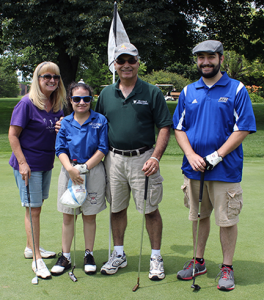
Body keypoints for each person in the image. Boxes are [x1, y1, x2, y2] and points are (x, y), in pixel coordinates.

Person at [172, 40, 256, 291]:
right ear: (196, 60)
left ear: (220, 59)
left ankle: (227, 267)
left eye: (210, 57)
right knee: (198, 216)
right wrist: (190, 155)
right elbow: (179, 128)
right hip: (194, 169)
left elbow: (243, 128)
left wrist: (216, 155)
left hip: (225, 169)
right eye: (200, 58)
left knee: (226, 219)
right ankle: (198, 261)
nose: (205, 62)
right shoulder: (189, 91)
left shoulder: (236, 89)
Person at [95, 43, 172, 280]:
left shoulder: (151, 92)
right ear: (115, 65)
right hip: (114, 159)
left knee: (150, 210)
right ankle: (118, 254)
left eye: (131, 60)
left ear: (138, 63)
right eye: (121, 61)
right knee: (117, 209)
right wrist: (65, 126)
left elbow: (164, 127)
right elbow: (94, 123)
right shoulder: (107, 93)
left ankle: (156, 257)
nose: (126, 65)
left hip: (144, 158)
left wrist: (156, 157)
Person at [8, 61, 66, 278]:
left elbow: (57, 134)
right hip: (28, 165)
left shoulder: (57, 104)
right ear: (37, 79)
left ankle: (30, 247)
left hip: (45, 163)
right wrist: (22, 163)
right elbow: (13, 135)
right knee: (33, 210)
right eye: (46, 76)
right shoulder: (26, 104)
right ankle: (36, 259)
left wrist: (62, 128)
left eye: (56, 77)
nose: (52, 80)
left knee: (36, 206)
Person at [51, 80, 108, 276]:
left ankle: (89, 254)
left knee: (89, 216)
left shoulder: (100, 120)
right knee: (68, 216)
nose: (82, 102)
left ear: (91, 100)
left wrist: (83, 168)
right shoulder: (65, 122)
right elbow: (60, 149)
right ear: (70, 100)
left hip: (92, 171)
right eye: (77, 99)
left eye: (86, 98)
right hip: (69, 172)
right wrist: (71, 169)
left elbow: (102, 148)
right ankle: (65, 256)